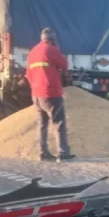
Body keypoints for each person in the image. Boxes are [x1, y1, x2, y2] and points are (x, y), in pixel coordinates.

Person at [25, 28, 75, 162]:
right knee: (59, 122)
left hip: (36, 94)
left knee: (42, 124)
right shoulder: (52, 49)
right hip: (51, 93)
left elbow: (28, 75)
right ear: (53, 39)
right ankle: (63, 152)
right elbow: (64, 65)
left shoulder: (33, 52)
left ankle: (43, 152)